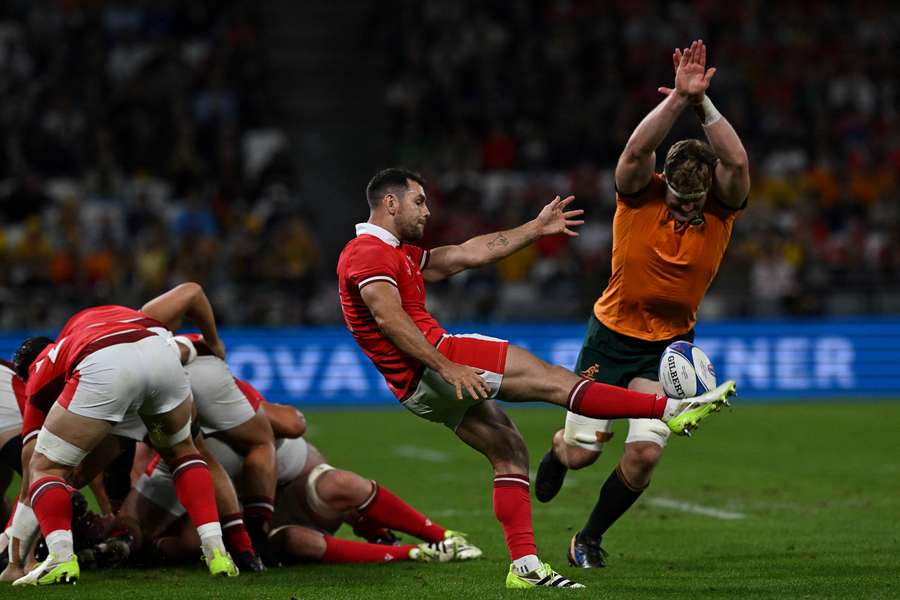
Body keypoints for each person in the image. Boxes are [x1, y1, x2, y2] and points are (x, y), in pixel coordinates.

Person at [337, 167, 737, 588]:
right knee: (558, 383)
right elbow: (389, 318)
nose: (428, 211)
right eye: (419, 201)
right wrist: (446, 364)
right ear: (391, 203)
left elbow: (466, 254)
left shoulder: (397, 253)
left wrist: (536, 228)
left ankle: (524, 567)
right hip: (439, 358)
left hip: (415, 390)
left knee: (509, 450)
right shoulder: (367, 252)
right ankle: (669, 407)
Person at [534, 40, 751, 568]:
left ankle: (587, 538)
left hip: (669, 350)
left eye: (692, 202)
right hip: (610, 337)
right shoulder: (639, 193)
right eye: (676, 198)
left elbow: (737, 160)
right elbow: (634, 151)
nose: (682, 208)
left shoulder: (722, 210)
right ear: (665, 185)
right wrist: (679, 98)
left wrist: (705, 106)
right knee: (584, 453)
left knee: (646, 453)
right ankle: (560, 449)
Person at [9, 283, 240, 585]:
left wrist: (15, 559)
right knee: (183, 452)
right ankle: (217, 550)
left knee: (46, 467)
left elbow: (30, 473)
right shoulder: (129, 319)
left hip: (106, 369)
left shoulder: (41, 369)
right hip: (161, 359)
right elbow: (187, 337)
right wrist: (214, 343)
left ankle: (61, 560)